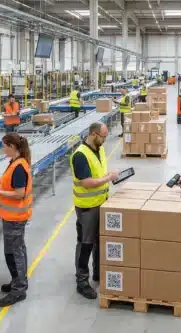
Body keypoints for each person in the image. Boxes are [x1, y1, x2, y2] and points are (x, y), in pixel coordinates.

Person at [0, 133, 33, 307]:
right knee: (12, 251)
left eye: (4, 146)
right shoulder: (15, 163)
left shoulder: (19, 166)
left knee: (15, 252)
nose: (2, 149)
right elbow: (8, 182)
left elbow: (19, 194)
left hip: (16, 217)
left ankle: (19, 290)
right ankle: (17, 280)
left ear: (12, 146)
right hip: (11, 216)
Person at [70, 122, 120, 299]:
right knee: (86, 243)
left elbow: (99, 175)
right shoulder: (80, 155)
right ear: (93, 134)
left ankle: (98, 271)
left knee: (100, 241)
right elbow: (87, 183)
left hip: (102, 203)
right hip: (87, 207)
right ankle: (82, 281)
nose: (104, 140)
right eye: (102, 137)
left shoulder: (99, 149)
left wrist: (110, 178)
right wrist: (108, 178)